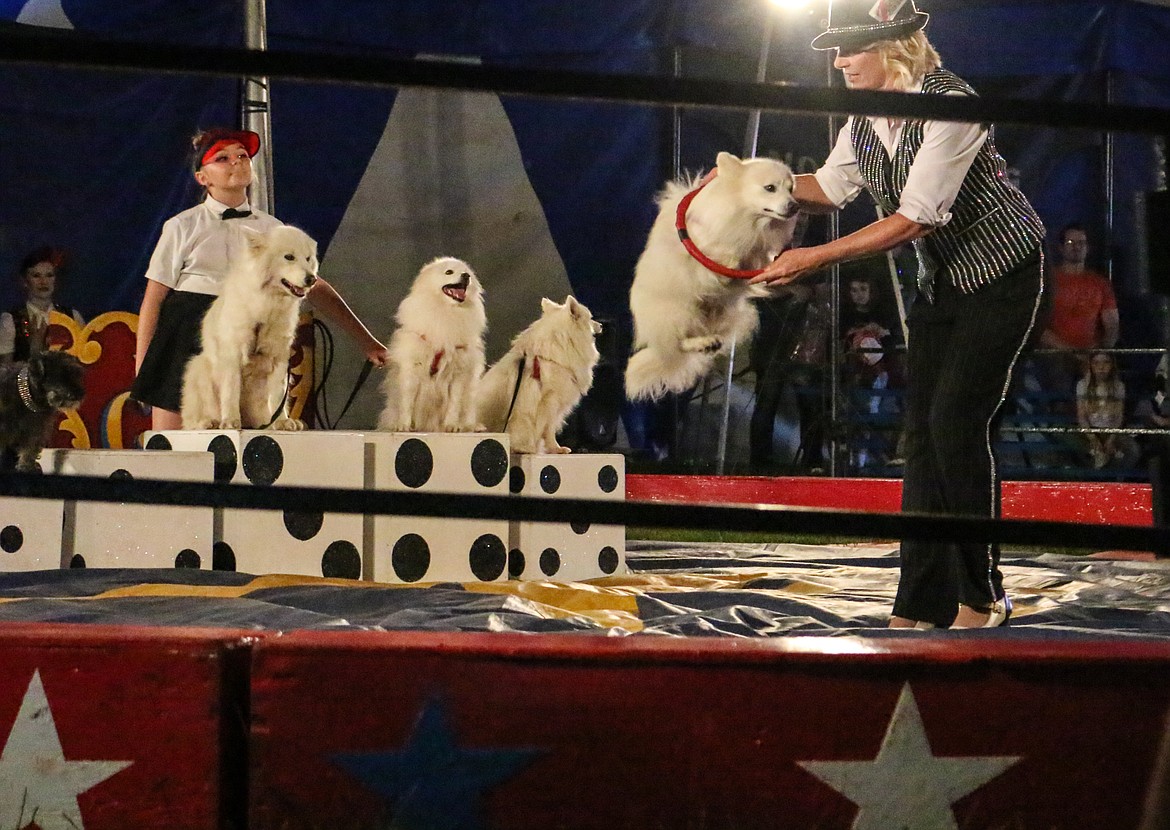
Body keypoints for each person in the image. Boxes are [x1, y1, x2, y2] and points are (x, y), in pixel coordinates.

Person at [747, 0, 1046, 628]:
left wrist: (813, 258)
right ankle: (919, 602)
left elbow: (914, 217)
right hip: (943, 286)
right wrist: (749, 187)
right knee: (921, 437)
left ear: (894, 47)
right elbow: (827, 189)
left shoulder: (948, 102)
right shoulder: (864, 116)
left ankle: (983, 596)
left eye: (851, 47)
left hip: (1003, 279)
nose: (839, 60)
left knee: (954, 426)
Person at [131, 128, 389, 430]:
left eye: (242, 156)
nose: (236, 162)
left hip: (252, 333)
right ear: (203, 177)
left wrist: (367, 341)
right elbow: (153, 299)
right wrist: (145, 368)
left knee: (249, 433)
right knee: (173, 446)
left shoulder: (274, 229)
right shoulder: (182, 226)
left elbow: (313, 285)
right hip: (188, 329)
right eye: (223, 158)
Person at [1037, 223, 1120, 410]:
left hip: (1091, 354)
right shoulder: (1048, 281)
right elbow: (1038, 326)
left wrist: (1101, 352)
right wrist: (1072, 351)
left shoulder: (1100, 284)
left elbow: (1112, 325)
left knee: (1106, 382)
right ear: (1060, 247)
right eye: (1070, 242)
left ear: (1088, 247)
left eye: (1081, 242)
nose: (1076, 246)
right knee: (1062, 388)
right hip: (1055, 353)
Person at [0, 246, 85, 364]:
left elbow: (83, 368)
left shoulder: (72, 317)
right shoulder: (10, 321)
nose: (43, 282)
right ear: (25, 281)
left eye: (49, 275)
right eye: (36, 276)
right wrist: (33, 355)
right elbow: (6, 378)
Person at [1076, 350, 1136, 470]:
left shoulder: (1118, 386)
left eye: (1106, 362)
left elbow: (1119, 416)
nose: (1101, 367)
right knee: (1082, 451)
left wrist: (1111, 439)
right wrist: (1093, 438)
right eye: (1096, 363)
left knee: (1133, 450)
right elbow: (1082, 417)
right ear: (1091, 365)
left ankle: (1115, 480)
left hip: (1111, 430)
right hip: (1090, 430)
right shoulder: (1082, 385)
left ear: (1112, 365)